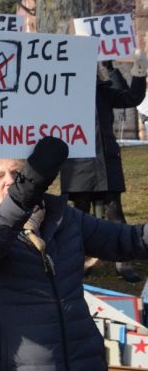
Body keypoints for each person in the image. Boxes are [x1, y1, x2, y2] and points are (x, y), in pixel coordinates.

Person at [0, 137, 148, 371]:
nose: (10, 182)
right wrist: (22, 196)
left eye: (18, 174)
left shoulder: (62, 215)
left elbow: (125, 241)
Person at [59, 53, 147, 282]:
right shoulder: (63, 93)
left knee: (115, 213)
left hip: (106, 161)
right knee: (79, 214)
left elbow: (132, 98)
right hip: (78, 162)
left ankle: (123, 262)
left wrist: (137, 72)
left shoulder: (103, 91)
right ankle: (77, 262)